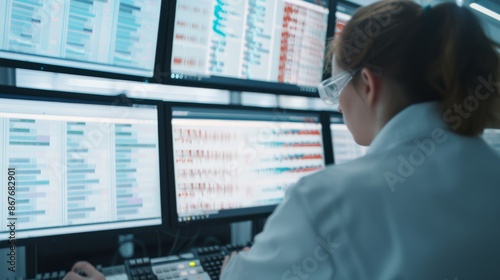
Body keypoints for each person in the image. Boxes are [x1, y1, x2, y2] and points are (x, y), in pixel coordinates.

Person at [64, 0, 500, 279]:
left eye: (335, 89)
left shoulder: (331, 200)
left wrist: (237, 270)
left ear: (367, 84)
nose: (337, 105)